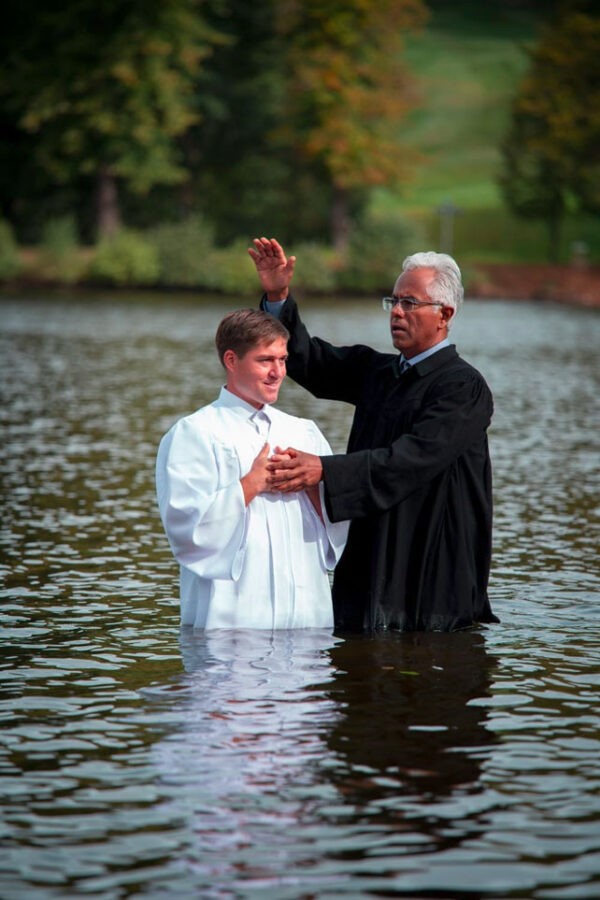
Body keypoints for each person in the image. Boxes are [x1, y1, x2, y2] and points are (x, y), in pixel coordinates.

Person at [248, 237, 499, 633]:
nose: (396, 311)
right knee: (357, 647)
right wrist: (279, 297)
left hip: (432, 556)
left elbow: (412, 458)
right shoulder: (379, 372)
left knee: (434, 653)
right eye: (393, 301)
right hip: (374, 548)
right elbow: (309, 361)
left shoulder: (463, 387)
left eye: (409, 303)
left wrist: (325, 470)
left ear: (444, 314)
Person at [156, 309, 348, 630]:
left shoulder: (304, 432)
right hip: (232, 624)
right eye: (265, 360)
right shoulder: (194, 433)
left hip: (307, 621)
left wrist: (311, 482)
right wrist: (251, 484)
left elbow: (340, 529)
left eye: (283, 360)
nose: (278, 372)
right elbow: (186, 530)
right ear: (231, 360)